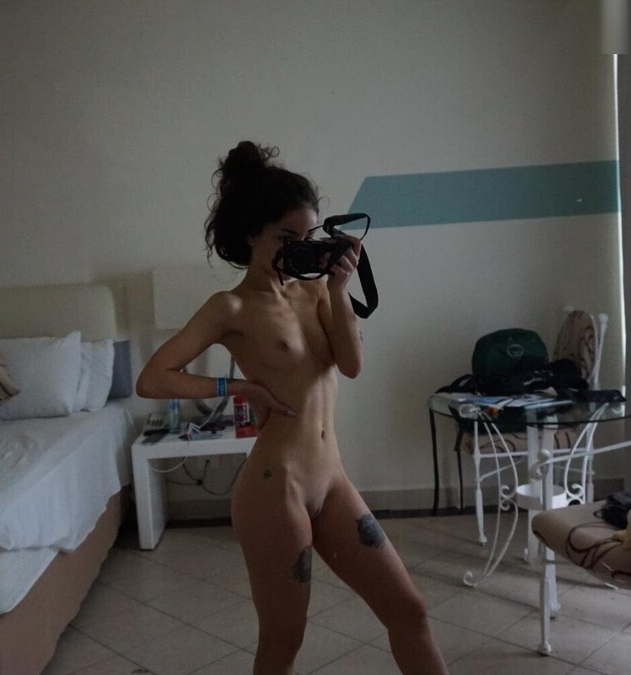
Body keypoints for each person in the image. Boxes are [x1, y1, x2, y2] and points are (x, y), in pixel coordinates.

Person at [136, 141, 449, 675]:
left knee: (409, 610)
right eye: (285, 239)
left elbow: (351, 365)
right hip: (274, 487)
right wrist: (238, 389)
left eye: (307, 238)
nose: (297, 251)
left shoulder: (316, 294)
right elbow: (152, 378)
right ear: (251, 234)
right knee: (284, 640)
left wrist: (339, 287)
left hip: (332, 480)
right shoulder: (231, 307)